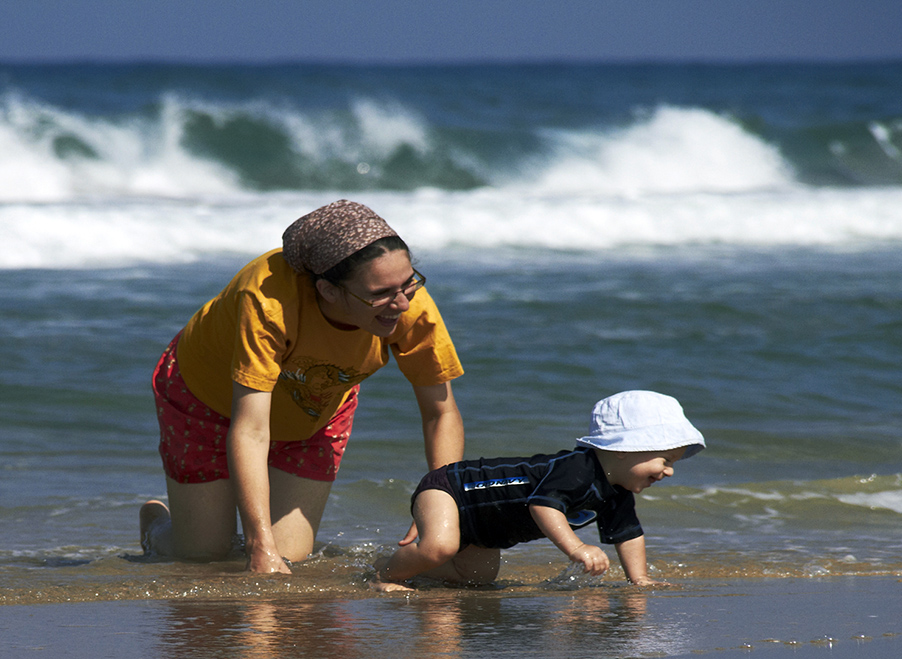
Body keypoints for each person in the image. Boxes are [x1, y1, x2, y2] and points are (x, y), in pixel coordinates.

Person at [139, 200, 465, 574]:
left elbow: (440, 413)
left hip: (313, 410)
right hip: (207, 401)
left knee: (290, 557)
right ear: (327, 290)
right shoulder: (268, 302)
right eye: (381, 293)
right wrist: (260, 546)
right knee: (202, 554)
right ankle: (157, 527)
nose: (402, 303)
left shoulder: (410, 305)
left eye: (409, 282)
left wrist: (442, 502)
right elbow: (251, 430)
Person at [373, 390, 704, 592]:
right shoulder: (578, 468)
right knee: (439, 547)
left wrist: (640, 579)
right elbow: (543, 507)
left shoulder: (616, 492)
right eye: (665, 459)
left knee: (476, 577)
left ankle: (397, 565)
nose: (669, 470)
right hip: (453, 488)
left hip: (487, 527)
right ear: (624, 448)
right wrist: (576, 548)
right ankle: (384, 576)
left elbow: (628, 534)